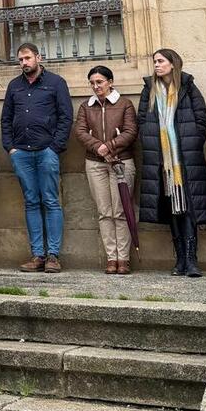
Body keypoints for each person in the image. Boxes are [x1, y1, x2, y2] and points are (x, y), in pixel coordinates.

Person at [137, 48, 206, 278]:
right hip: (161, 161)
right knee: (172, 208)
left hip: (184, 159)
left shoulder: (188, 86)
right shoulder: (149, 89)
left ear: (173, 63)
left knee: (188, 208)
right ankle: (179, 258)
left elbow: (201, 118)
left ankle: (192, 260)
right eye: (154, 62)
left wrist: (192, 143)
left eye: (161, 61)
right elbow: (143, 119)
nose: (156, 65)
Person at [0, 42, 73, 273]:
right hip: (21, 153)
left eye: (27, 58)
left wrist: (55, 147)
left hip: (46, 152)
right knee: (31, 202)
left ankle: (53, 255)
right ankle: (37, 255)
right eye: (20, 60)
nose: (24, 63)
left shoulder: (56, 83)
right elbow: (5, 119)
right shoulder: (14, 86)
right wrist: (10, 148)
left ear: (38, 58)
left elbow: (66, 117)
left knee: (50, 201)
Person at [73, 65, 139, 274]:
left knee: (121, 212)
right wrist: (98, 148)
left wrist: (109, 146)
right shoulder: (86, 106)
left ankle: (124, 259)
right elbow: (80, 131)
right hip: (95, 164)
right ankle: (111, 258)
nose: (96, 86)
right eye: (92, 83)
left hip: (121, 162)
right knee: (104, 212)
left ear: (110, 82)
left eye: (99, 82)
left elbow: (130, 132)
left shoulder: (125, 104)